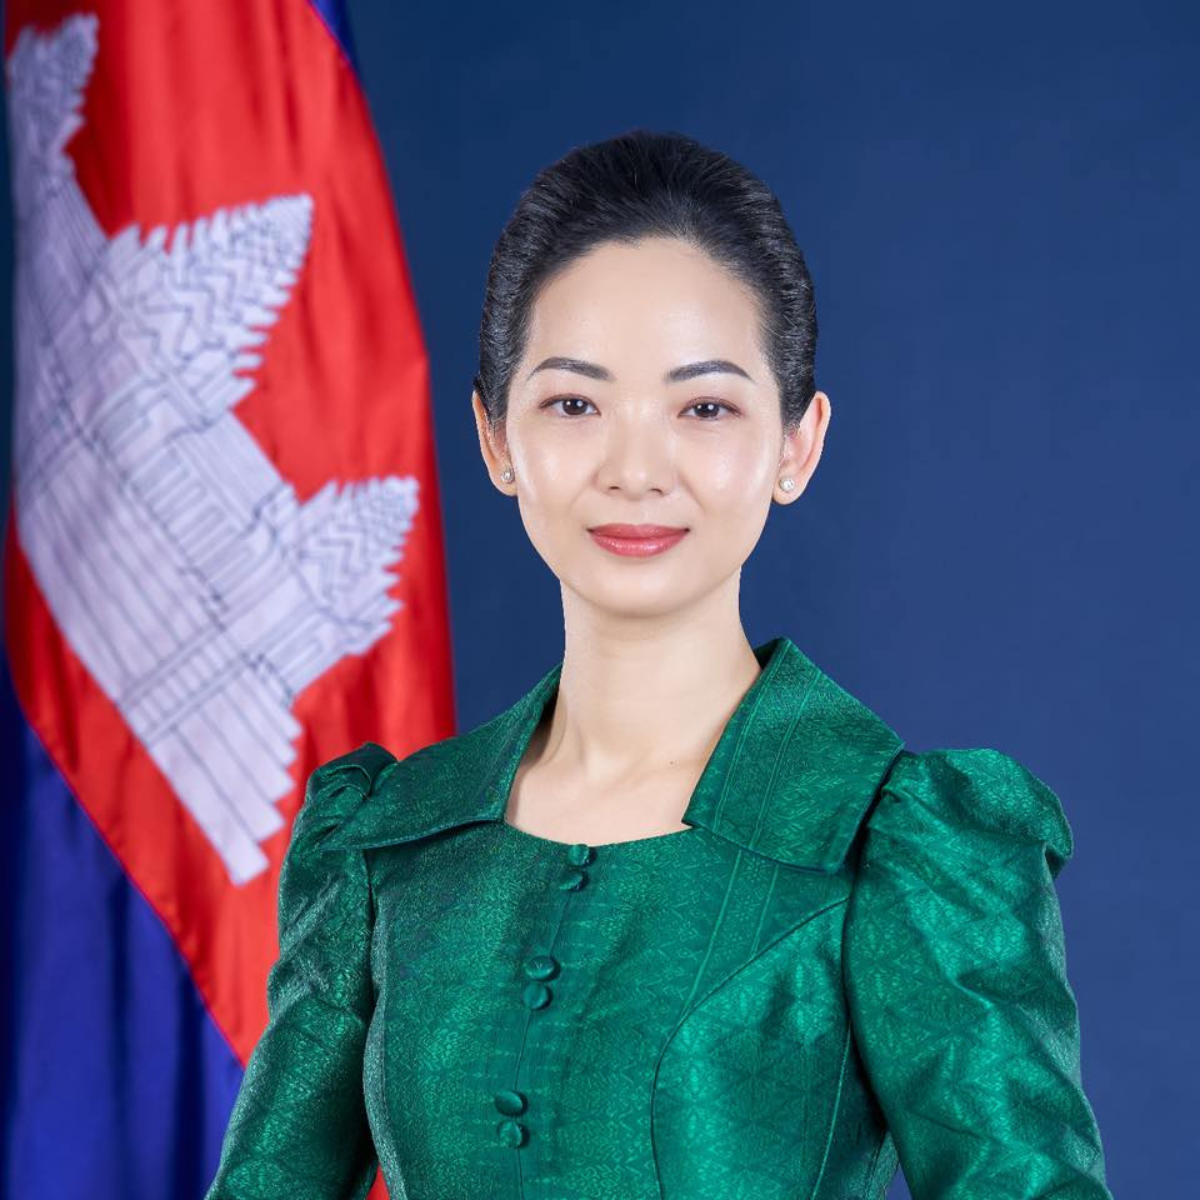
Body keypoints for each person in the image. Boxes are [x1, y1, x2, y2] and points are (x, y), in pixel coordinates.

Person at [204, 129, 1113, 1199]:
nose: (635, 470)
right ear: (495, 438)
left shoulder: (900, 845)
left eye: (705, 407)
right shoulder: (389, 841)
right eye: (574, 404)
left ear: (797, 444)